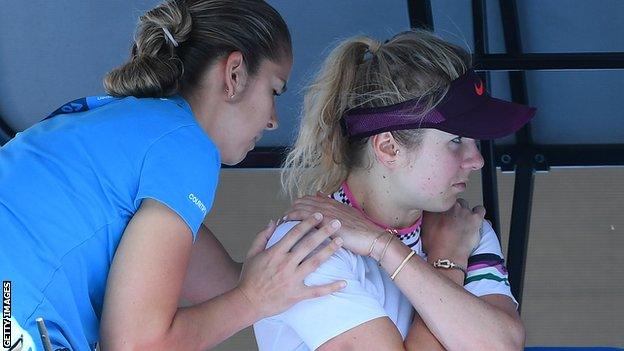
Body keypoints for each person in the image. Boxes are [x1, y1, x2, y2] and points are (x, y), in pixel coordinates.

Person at [0, 1, 349, 350]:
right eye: (274, 90)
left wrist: (355, 254)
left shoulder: (133, 128)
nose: (274, 120)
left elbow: (228, 282)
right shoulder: (185, 145)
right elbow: (137, 344)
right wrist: (252, 300)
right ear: (234, 75)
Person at [253, 30, 535, 350]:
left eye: (474, 141)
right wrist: (447, 261)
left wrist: (386, 247)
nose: (477, 160)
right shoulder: (310, 244)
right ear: (388, 148)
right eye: (456, 140)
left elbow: (504, 346)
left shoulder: (463, 227)